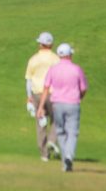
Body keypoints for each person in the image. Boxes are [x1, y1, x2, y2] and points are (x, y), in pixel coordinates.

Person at [36, 43, 87, 173]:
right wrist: (80, 97)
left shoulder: (53, 69)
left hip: (57, 104)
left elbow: (46, 89)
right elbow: (83, 88)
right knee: (72, 133)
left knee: (60, 132)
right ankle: (68, 157)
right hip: (73, 104)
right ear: (70, 55)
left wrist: (41, 107)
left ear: (59, 55)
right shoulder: (77, 69)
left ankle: (66, 161)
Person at [25, 32, 60, 161]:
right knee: (57, 120)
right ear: (51, 44)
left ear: (40, 44)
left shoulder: (33, 59)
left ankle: (44, 155)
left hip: (37, 94)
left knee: (41, 124)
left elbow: (28, 80)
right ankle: (52, 140)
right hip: (53, 94)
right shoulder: (56, 59)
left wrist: (29, 97)